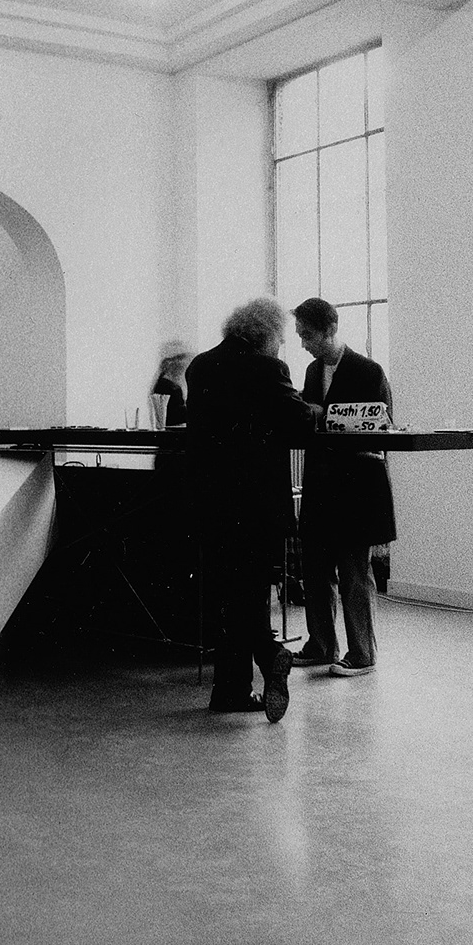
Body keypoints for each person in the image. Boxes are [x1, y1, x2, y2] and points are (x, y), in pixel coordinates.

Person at [183, 297, 314, 722]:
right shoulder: (267, 368)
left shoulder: (200, 366)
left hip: (210, 500)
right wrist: (315, 409)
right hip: (255, 504)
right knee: (251, 591)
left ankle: (231, 690)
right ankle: (269, 653)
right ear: (267, 334)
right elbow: (298, 421)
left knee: (228, 595)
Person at [290, 297, 397, 678]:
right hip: (321, 483)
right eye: (300, 335)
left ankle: (362, 653)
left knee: (354, 573)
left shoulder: (369, 371)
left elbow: (382, 426)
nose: (303, 343)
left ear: (330, 329)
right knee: (316, 569)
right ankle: (321, 645)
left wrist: (324, 417)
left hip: (356, 487)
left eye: (308, 335)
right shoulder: (311, 371)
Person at [151, 339, 191, 427]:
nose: (184, 362)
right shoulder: (169, 387)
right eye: (180, 358)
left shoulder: (167, 384)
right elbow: (175, 416)